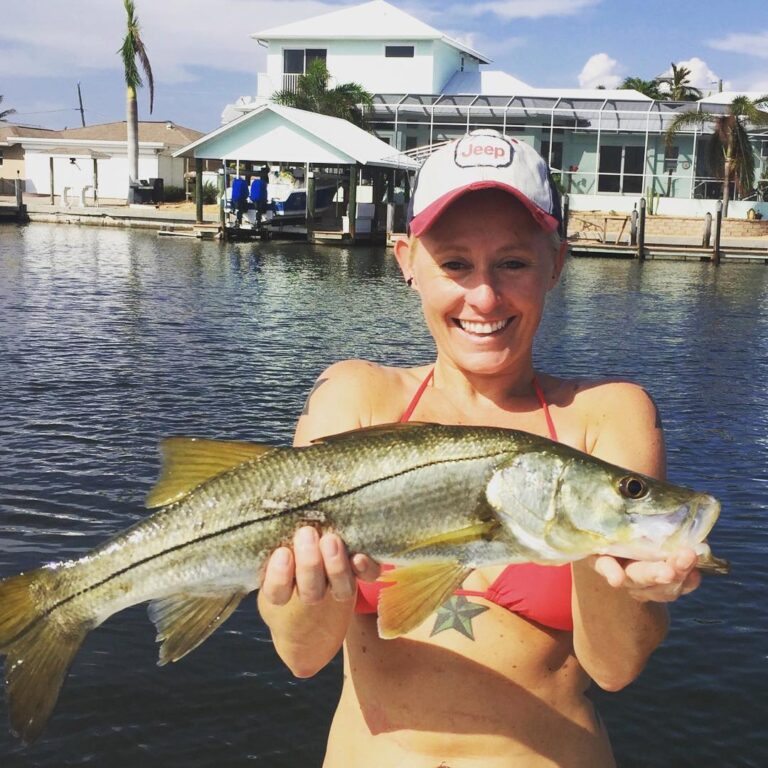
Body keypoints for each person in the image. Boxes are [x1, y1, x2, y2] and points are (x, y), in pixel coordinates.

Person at [257, 130, 701, 767]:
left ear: (556, 263)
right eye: (455, 264)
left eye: (514, 263)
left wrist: (620, 572)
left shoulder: (607, 416)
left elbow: (615, 667)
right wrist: (304, 584)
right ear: (407, 260)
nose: (484, 298)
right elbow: (301, 656)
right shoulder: (355, 400)